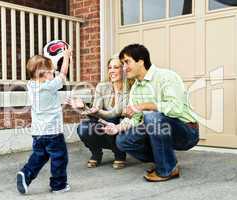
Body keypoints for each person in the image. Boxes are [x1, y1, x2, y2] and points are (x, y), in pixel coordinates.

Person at [101, 44, 199, 182]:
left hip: (186, 130)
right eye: (122, 64)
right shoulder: (136, 87)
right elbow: (135, 119)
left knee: (152, 117)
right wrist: (116, 128)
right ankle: (165, 160)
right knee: (123, 141)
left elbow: (176, 108)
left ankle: (166, 170)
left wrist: (144, 106)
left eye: (126, 62)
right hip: (157, 127)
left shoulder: (166, 76)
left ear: (141, 61)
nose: (124, 67)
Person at [16, 47, 72, 194]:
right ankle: (59, 185)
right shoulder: (49, 86)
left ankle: (26, 173)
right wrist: (66, 57)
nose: (53, 73)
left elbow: (49, 104)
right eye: (51, 71)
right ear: (43, 74)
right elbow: (63, 74)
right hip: (53, 133)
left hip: (38, 133)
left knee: (40, 156)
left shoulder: (31, 85)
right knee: (59, 157)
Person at [66, 55, 128, 169]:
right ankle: (96, 153)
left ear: (123, 69)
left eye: (116, 67)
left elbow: (116, 112)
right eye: (110, 68)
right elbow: (95, 110)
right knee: (83, 128)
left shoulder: (129, 88)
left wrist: (96, 111)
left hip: (121, 126)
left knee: (112, 119)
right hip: (104, 123)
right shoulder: (102, 86)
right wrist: (84, 107)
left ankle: (119, 153)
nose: (112, 71)